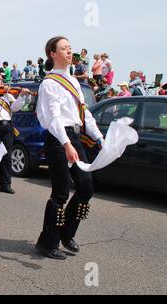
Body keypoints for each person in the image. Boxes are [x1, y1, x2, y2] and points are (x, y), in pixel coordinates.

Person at [35, 36, 104, 260]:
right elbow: (53, 118)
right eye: (63, 48)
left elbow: (84, 114)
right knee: (61, 192)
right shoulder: (49, 84)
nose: (69, 51)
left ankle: (67, 233)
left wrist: (100, 138)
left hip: (74, 136)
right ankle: (47, 242)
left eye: (70, 48)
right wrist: (65, 144)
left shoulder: (74, 81)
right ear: (52, 54)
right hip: (58, 139)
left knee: (86, 187)